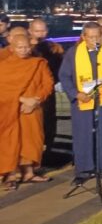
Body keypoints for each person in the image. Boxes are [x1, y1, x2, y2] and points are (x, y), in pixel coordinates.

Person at [59, 22, 102, 186]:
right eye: (91, 37)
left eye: (97, 36)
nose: (95, 40)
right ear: (83, 37)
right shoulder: (73, 53)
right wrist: (76, 94)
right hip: (83, 100)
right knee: (83, 135)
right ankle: (84, 170)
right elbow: (64, 76)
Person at [0, 35, 54, 189]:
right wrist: (23, 99)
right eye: (19, 47)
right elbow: (2, 89)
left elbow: (48, 84)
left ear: (31, 47)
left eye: (26, 47)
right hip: (11, 109)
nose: (23, 50)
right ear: (12, 48)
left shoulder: (38, 63)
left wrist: (36, 100)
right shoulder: (4, 66)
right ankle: (10, 174)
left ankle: (29, 172)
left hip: (33, 109)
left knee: (31, 139)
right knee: (10, 141)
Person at [28, 17, 64, 153]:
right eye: (36, 31)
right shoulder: (25, 48)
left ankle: (48, 148)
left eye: (43, 31)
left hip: (47, 90)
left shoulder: (53, 48)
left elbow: (58, 69)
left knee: (49, 120)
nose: (40, 34)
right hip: (29, 91)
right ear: (30, 31)